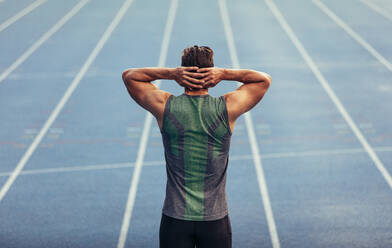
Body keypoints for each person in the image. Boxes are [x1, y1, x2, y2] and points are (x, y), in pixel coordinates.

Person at [122, 45, 271, 248]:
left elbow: (130, 76)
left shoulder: (165, 106)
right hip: (215, 220)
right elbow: (263, 80)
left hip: (175, 219)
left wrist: (171, 74)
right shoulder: (227, 107)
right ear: (212, 73)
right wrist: (225, 74)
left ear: (183, 73)